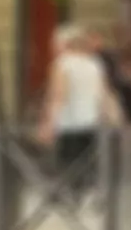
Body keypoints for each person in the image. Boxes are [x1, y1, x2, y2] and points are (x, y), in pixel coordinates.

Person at [39, 22, 115, 196]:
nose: (53, 47)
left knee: (67, 162)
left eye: (56, 43)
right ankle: (84, 194)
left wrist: (49, 123)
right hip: (90, 121)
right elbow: (103, 93)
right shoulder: (94, 64)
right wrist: (109, 115)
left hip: (68, 122)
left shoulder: (63, 64)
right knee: (85, 162)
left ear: (66, 44)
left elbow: (58, 95)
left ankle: (71, 197)